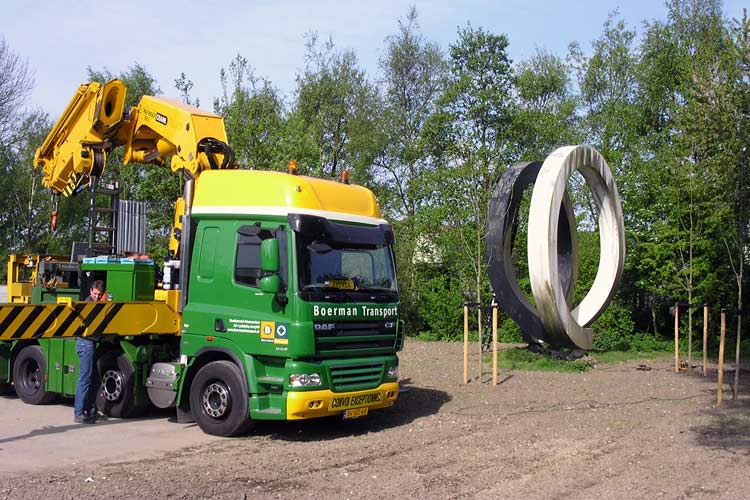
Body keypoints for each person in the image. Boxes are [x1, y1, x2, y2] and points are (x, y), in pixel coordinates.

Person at [74, 280, 105, 424]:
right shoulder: (88, 305)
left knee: (93, 379)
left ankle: (90, 410)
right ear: (91, 290)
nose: (97, 296)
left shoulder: (96, 304)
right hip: (85, 343)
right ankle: (79, 413)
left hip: (90, 344)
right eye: (95, 293)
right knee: (85, 379)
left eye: (99, 295)